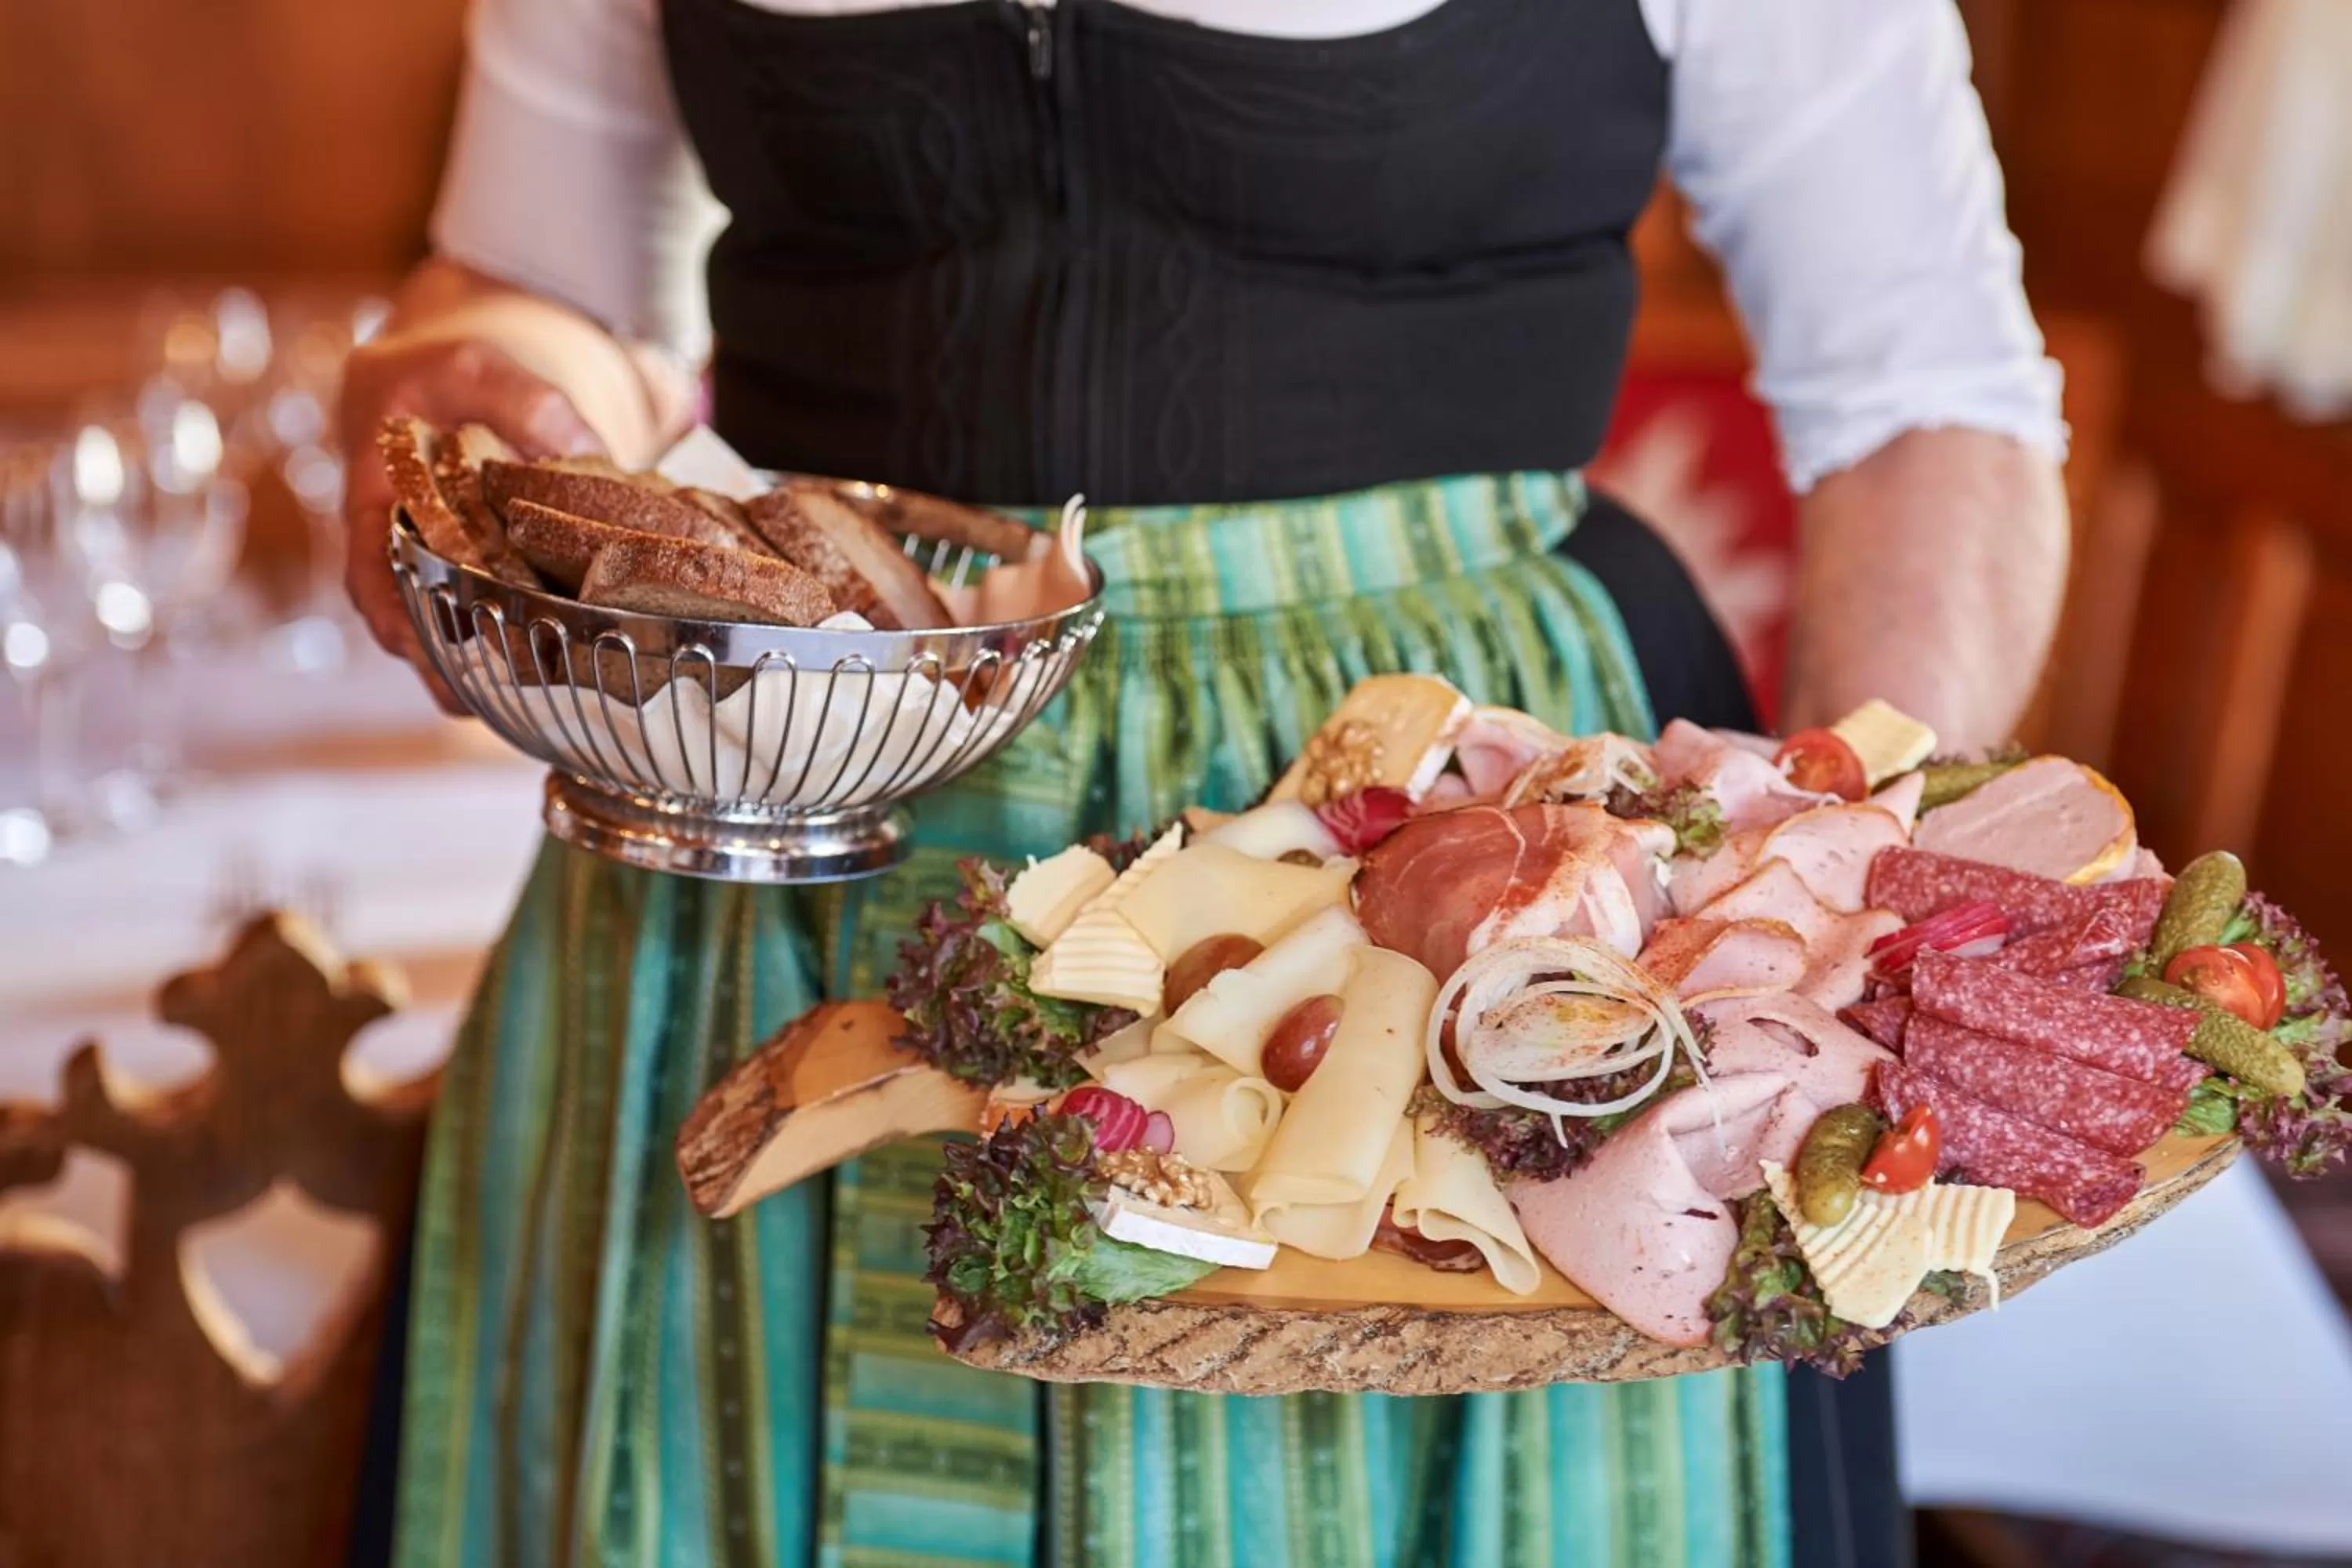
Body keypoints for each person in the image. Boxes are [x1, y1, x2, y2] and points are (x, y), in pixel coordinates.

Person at [339, 1, 2069, 1563]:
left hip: (1474, 878)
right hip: (800, 788)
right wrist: (490, 407)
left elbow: (1925, 396)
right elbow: (538, 280)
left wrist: (1838, 929)